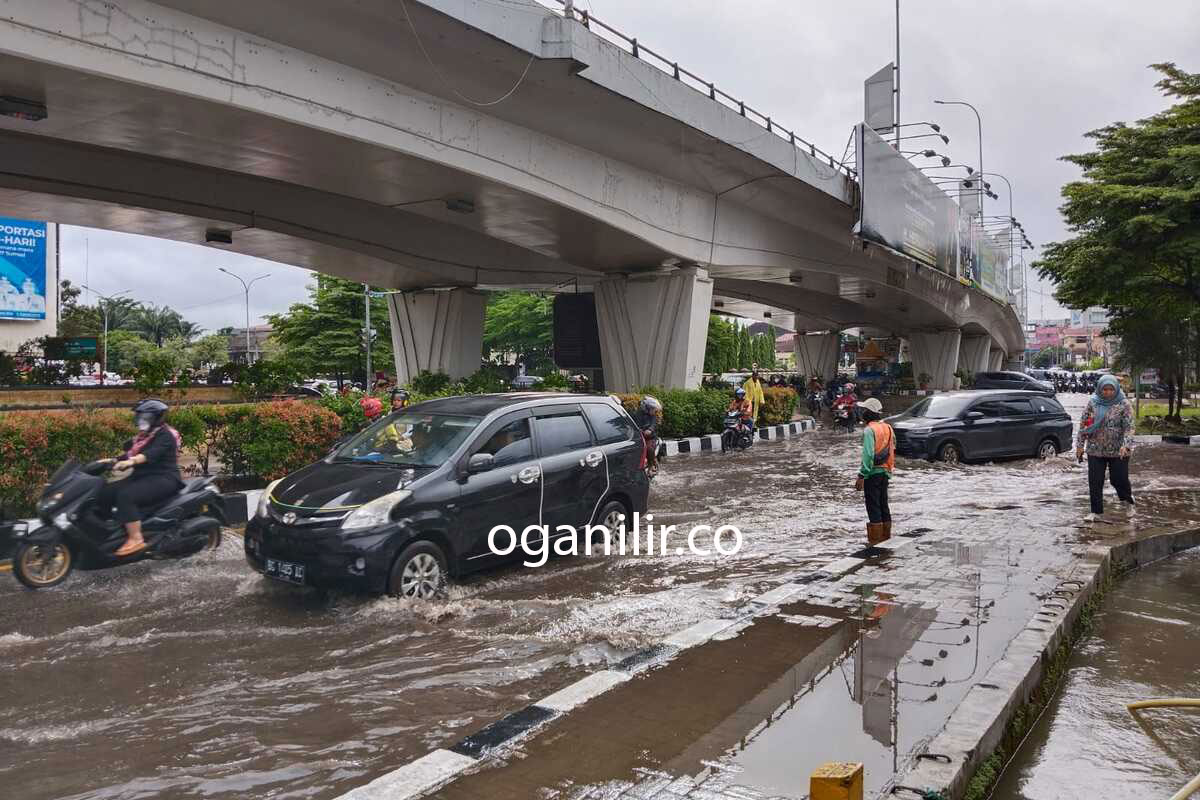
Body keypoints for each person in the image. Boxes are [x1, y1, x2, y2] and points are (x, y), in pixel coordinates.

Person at [101, 399, 185, 556]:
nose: (140, 420)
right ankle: (108, 532)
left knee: (126, 496)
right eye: (139, 416)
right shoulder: (144, 436)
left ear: (155, 417)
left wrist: (131, 462)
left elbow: (148, 455)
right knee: (104, 491)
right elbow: (130, 453)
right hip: (143, 477)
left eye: (144, 416)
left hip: (164, 479)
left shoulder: (165, 436)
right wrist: (110, 461)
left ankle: (136, 538)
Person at [1076, 374, 1135, 518]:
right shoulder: (1093, 403)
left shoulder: (1123, 404)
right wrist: (1079, 446)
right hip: (1095, 449)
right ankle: (1096, 512)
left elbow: (1129, 427)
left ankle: (1127, 501)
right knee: (1095, 481)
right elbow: (1084, 424)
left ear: (1116, 389)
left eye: (1110, 389)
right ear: (1099, 389)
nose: (1107, 392)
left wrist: (1126, 445)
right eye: (1105, 389)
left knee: (1118, 479)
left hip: (1118, 450)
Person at [854, 397, 894, 545]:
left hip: (872, 474)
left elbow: (868, 454)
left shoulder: (869, 430)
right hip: (885, 473)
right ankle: (886, 538)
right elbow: (891, 449)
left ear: (869, 413)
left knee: (873, 507)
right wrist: (889, 470)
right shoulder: (888, 428)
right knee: (884, 504)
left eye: (864, 410)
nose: (862, 412)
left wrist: (861, 475)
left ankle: (876, 542)